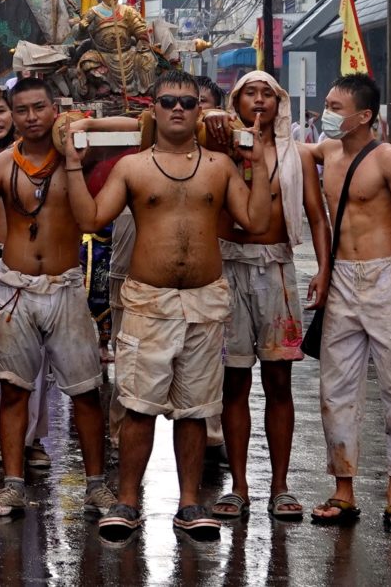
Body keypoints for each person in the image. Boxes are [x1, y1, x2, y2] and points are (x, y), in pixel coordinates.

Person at [71, 70, 272, 542]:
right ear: (154, 110)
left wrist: (257, 164)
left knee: (196, 409)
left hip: (205, 303)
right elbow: (92, 218)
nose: (178, 108)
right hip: (147, 301)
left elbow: (256, 220)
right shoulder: (133, 167)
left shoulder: (220, 167)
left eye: (186, 101)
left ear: (199, 109)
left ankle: (188, 503)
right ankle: (126, 502)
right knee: (138, 406)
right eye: (168, 101)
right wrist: (71, 165)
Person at [0, 78, 116, 518]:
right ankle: (13, 484)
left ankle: (97, 486)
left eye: (40, 108)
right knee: (14, 390)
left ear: (55, 108)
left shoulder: (77, 154)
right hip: (14, 288)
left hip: (65, 287)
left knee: (86, 392)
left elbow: (138, 129)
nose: (31, 117)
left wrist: (80, 124)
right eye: (23, 110)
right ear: (12, 115)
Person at [206, 71, 331, 522]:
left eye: (267, 94)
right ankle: (238, 486)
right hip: (228, 268)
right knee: (234, 382)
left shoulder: (295, 155)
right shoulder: (216, 149)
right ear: (235, 101)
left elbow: (317, 217)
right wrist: (214, 118)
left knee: (279, 383)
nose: (259, 101)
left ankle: (280, 486)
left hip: (276, 269)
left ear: (279, 105)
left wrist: (324, 268)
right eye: (249, 93)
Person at [308, 74, 391, 531]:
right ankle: (343, 491)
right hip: (341, 278)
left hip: (385, 276)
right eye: (326, 103)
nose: (327, 113)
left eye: (336, 106)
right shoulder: (323, 154)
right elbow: (272, 147)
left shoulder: (390, 160)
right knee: (335, 389)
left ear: (362, 116)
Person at [0, 88, 50, 469]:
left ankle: (33, 439)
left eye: (2, 111)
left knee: (39, 360)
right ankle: (4, 437)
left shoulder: (42, 156)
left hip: (39, 267)